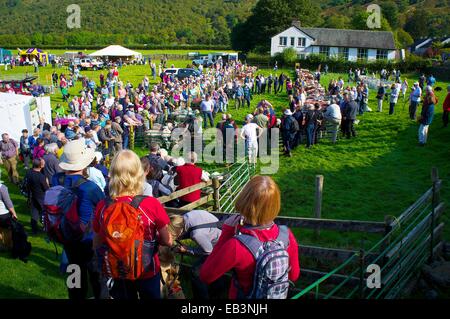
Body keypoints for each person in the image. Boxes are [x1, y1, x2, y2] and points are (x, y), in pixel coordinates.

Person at [199, 176, 300, 299]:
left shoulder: (237, 246)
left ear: (244, 201)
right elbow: (294, 276)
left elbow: (206, 275)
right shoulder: (286, 235)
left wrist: (227, 231)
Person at [93, 150, 173, 299]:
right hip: (147, 268)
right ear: (139, 172)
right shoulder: (151, 204)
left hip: (118, 269)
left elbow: (97, 242)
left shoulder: (103, 206)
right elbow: (167, 240)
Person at [51, 139, 105, 299]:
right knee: (97, 277)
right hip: (89, 240)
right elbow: (103, 208)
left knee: (74, 277)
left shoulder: (56, 179)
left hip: (67, 235)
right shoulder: (91, 188)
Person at [168, 210, 225, 299]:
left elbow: (208, 251)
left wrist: (187, 250)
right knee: (212, 271)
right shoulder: (186, 217)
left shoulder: (196, 234)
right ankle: (217, 290)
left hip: (220, 247)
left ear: (178, 230)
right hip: (220, 235)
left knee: (195, 272)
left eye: (175, 235)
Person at [25, 158, 49, 234]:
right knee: (44, 213)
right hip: (41, 197)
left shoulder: (28, 172)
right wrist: (47, 183)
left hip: (32, 196)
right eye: (43, 163)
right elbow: (46, 189)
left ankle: (34, 229)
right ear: (41, 166)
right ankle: (46, 227)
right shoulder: (41, 177)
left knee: (34, 213)